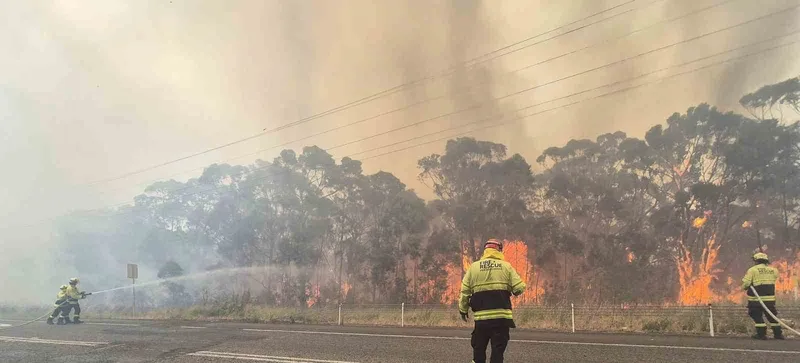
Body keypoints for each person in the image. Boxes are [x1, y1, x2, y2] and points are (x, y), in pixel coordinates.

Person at [459, 239, 526, 363]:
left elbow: (464, 292)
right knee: (497, 353)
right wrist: (512, 290)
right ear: (499, 250)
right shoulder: (506, 266)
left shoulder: (474, 268)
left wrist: (463, 309)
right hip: (501, 320)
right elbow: (519, 287)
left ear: (485, 251)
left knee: (478, 352)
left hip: (481, 321)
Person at [742, 252, 783, 340]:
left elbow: (746, 283)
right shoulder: (773, 270)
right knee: (772, 316)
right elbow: (776, 279)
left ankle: (761, 334)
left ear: (756, 260)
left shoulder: (752, 270)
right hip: (770, 299)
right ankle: (778, 334)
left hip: (756, 299)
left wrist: (744, 287)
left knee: (756, 315)